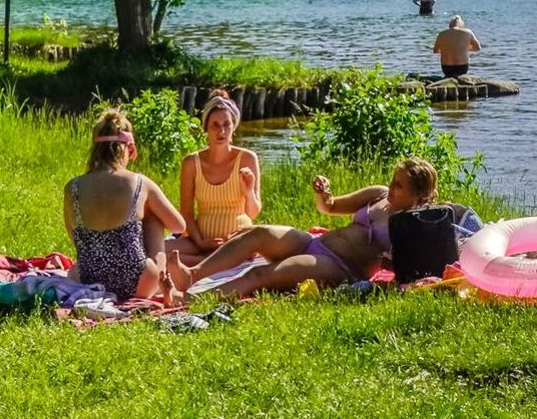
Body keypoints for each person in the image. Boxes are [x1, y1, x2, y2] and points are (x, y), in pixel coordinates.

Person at [172, 158, 439, 299]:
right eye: (393, 180)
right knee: (258, 233)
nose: (391, 187)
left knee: (260, 274)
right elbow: (330, 207)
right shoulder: (378, 195)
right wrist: (323, 193)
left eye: (399, 185)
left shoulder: (412, 225)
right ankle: (192, 275)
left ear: (418, 195)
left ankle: (192, 300)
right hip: (315, 243)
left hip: (339, 267)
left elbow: (408, 269)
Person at [64, 109, 189, 302]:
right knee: (154, 216)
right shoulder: (139, 183)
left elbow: (74, 236)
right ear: (128, 149)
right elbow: (178, 226)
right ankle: (163, 280)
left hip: (88, 280)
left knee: (81, 258)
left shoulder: (72, 187)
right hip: (139, 282)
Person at [174, 89, 262, 266]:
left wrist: (248, 193)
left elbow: (253, 212)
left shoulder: (247, 158)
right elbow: (187, 214)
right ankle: (206, 261)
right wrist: (200, 242)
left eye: (226, 124)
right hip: (200, 241)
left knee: (239, 250)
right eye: (215, 125)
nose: (221, 131)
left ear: (233, 126)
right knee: (157, 252)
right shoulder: (191, 162)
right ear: (206, 127)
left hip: (237, 240)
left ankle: (202, 264)